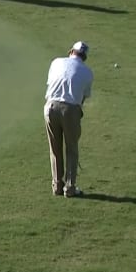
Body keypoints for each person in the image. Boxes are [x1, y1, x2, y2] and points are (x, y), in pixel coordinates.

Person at [44, 41, 94, 197]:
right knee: (71, 148)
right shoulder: (88, 72)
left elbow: (51, 84)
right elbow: (82, 99)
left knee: (55, 148)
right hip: (71, 108)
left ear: (71, 51)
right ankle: (70, 188)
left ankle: (57, 186)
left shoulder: (56, 62)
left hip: (50, 107)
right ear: (84, 57)